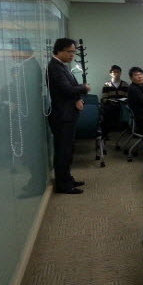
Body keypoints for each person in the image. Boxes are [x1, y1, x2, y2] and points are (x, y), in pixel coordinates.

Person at [47, 38, 90, 194]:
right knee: (63, 151)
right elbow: (66, 89)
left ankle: (67, 178)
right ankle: (63, 185)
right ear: (59, 50)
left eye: (74, 52)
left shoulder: (61, 66)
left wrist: (78, 98)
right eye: (69, 51)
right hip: (62, 116)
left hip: (68, 114)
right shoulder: (54, 67)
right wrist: (84, 88)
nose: (72, 55)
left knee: (68, 149)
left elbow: (71, 88)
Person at [101, 65, 129, 137]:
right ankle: (105, 134)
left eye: (118, 72)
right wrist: (109, 101)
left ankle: (125, 130)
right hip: (110, 104)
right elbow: (104, 98)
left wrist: (124, 101)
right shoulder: (107, 85)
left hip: (122, 105)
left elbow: (127, 97)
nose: (116, 74)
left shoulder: (125, 84)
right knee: (106, 110)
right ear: (110, 74)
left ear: (120, 73)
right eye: (114, 72)